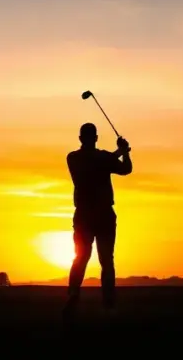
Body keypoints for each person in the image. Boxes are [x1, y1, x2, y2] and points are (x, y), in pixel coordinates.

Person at [64, 122, 132, 317]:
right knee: (106, 261)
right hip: (103, 214)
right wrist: (123, 151)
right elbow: (126, 168)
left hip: (84, 215)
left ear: (80, 139)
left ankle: (74, 293)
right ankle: (109, 306)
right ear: (95, 138)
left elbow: (102, 162)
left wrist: (119, 152)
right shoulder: (102, 157)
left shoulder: (73, 158)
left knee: (81, 257)